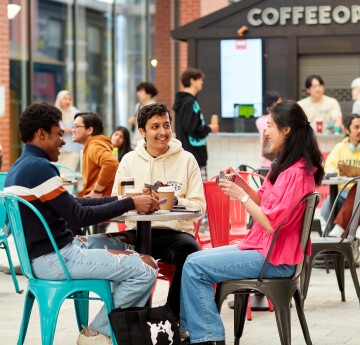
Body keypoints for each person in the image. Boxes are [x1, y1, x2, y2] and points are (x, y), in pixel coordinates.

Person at [4, 102, 160, 345]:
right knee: (146, 268)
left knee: (124, 242)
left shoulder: (20, 167)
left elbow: (74, 203)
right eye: (59, 134)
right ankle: (97, 334)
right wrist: (130, 203)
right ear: (41, 134)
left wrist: (122, 199)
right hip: (57, 260)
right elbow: (78, 217)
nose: (64, 140)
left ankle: (124, 328)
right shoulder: (40, 168)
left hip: (47, 255)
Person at [180, 100, 324, 345]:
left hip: (275, 259)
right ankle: (194, 332)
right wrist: (239, 184)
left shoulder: (296, 173)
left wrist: (240, 196)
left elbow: (271, 223)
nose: (266, 131)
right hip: (268, 251)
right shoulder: (289, 166)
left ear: (286, 129)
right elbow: (266, 203)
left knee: (194, 268)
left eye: (269, 126)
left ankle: (207, 338)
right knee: (192, 259)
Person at [107, 103, 205, 320]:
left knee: (190, 250)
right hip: (136, 232)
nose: (163, 132)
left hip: (174, 233)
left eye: (166, 125)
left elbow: (200, 206)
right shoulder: (129, 160)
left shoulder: (187, 159)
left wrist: (174, 200)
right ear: (142, 132)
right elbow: (117, 199)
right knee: (103, 248)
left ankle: (171, 318)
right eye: (155, 127)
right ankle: (128, 321)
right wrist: (134, 201)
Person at [173, 68, 219, 180]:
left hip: (189, 153)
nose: (202, 82)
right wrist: (209, 128)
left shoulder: (184, 101)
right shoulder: (190, 102)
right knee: (200, 191)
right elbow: (191, 128)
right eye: (200, 80)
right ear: (192, 80)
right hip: (194, 154)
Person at [321, 114, 360, 234]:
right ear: (347, 130)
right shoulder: (339, 148)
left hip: (357, 191)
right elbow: (329, 168)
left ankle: (339, 231)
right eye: (356, 127)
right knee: (326, 211)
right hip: (340, 191)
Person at [72, 112, 119, 198]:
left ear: (89, 130)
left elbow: (111, 163)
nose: (72, 130)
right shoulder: (93, 144)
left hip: (100, 203)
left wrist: (97, 190)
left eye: (76, 126)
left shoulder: (94, 145)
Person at [54, 90, 82, 170]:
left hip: (73, 149)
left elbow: (80, 127)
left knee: (68, 175)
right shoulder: (54, 113)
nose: (67, 101)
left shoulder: (75, 113)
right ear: (59, 99)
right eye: (65, 98)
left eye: (69, 99)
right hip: (57, 148)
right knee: (56, 174)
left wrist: (67, 130)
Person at [255, 90, 282, 168]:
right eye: (279, 103)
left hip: (264, 160)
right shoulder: (278, 120)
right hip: (276, 161)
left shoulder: (259, 121)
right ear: (274, 104)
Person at [128, 81, 158, 148]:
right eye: (138, 91)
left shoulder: (154, 107)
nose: (138, 93)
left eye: (141, 91)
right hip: (135, 142)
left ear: (149, 93)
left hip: (146, 143)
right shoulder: (138, 106)